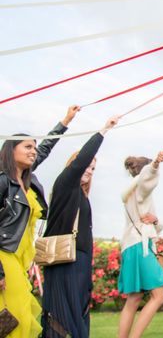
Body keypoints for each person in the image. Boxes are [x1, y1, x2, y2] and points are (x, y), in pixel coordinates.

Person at [0, 105, 79, 338]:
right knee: (15, 316)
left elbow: (46, 148)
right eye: (27, 147)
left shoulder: (28, 181)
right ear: (10, 151)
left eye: (34, 148)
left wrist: (65, 121)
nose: (33, 151)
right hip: (4, 256)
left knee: (16, 315)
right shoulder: (3, 182)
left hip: (22, 257)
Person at [41, 115, 119, 337]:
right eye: (87, 166)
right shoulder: (66, 185)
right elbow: (81, 160)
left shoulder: (83, 196)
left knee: (80, 309)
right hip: (66, 258)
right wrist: (103, 130)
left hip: (80, 261)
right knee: (63, 313)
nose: (88, 170)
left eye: (93, 169)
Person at [117, 150, 163, 338]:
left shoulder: (132, 192)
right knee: (159, 295)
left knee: (134, 299)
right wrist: (155, 164)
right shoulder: (141, 189)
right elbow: (148, 177)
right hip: (140, 246)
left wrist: (155, 221)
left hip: (131, 246)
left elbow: (152, 224)